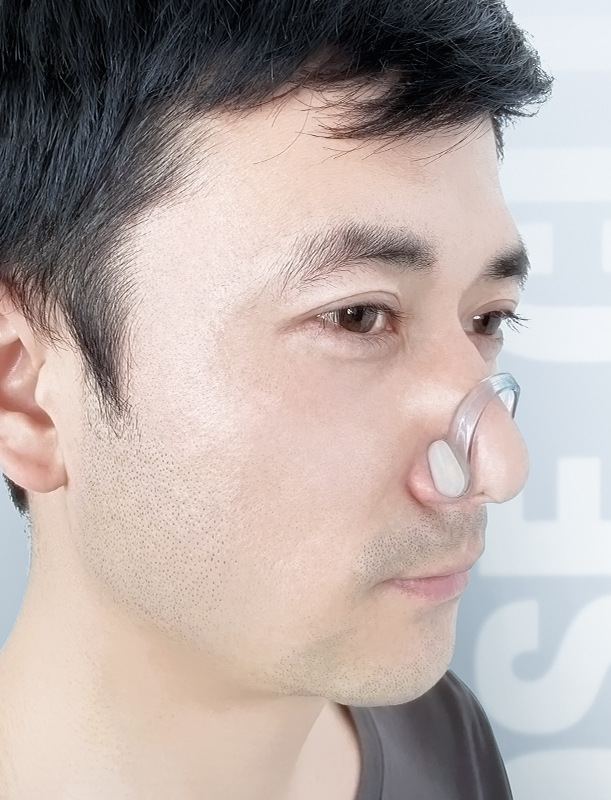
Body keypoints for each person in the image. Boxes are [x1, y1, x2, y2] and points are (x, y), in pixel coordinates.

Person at [0, 1, 551, 797]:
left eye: (488, 319)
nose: (499, 462)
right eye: (356, 317)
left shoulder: (442, 738)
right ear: (26, 396)